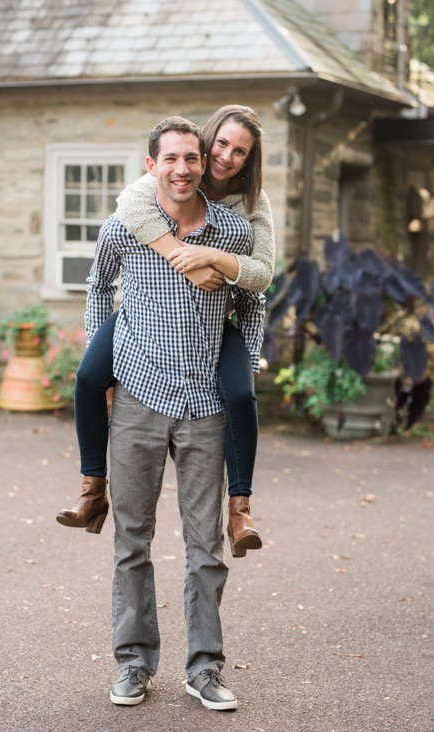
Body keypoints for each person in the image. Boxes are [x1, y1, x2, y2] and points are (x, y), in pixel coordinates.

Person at [87, 117, 265, 710]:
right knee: (131, 541)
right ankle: (133, 663)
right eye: (171, 159)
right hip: (137, 397)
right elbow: (97, 285)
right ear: (152, 166)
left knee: (205, 547)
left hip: (204, 404)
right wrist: (102, 354)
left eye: (192, 157)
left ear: (204, 162)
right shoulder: (127, 225)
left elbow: (252, 297)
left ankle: (205, 668)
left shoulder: (234, 230)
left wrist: (254, 356)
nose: (184, 168)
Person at [58, 105, 272, 558]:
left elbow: (261, 278)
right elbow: (110, 256)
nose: (227, 157)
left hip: (217, 318)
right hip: (145, 314)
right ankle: (92, 485)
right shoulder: (149, 190)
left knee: (239, 393)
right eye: (223, 145)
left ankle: (240, 506)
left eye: (241, 152)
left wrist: (214, 260)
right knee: (87, 378)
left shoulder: (246, 209)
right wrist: (179, 256)